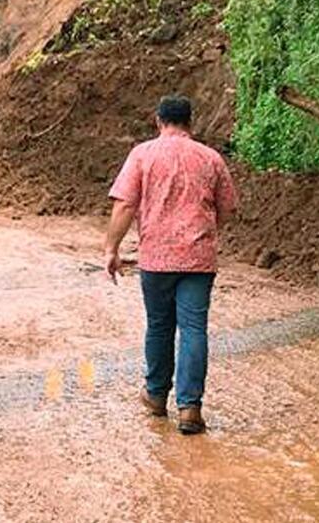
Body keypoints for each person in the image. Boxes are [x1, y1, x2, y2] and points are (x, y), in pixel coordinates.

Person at [104, 95, 239, 435]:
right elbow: (227, 208)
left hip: (157, 259)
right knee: (194, 329)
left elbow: (124, 206)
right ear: (191, 122)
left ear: (158, 120)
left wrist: (111, 248)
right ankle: (190, 407)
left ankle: (155, 395)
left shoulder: (142, 155)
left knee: (160, 326)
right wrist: (206, 232)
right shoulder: (210, 158)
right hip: (198, 258)